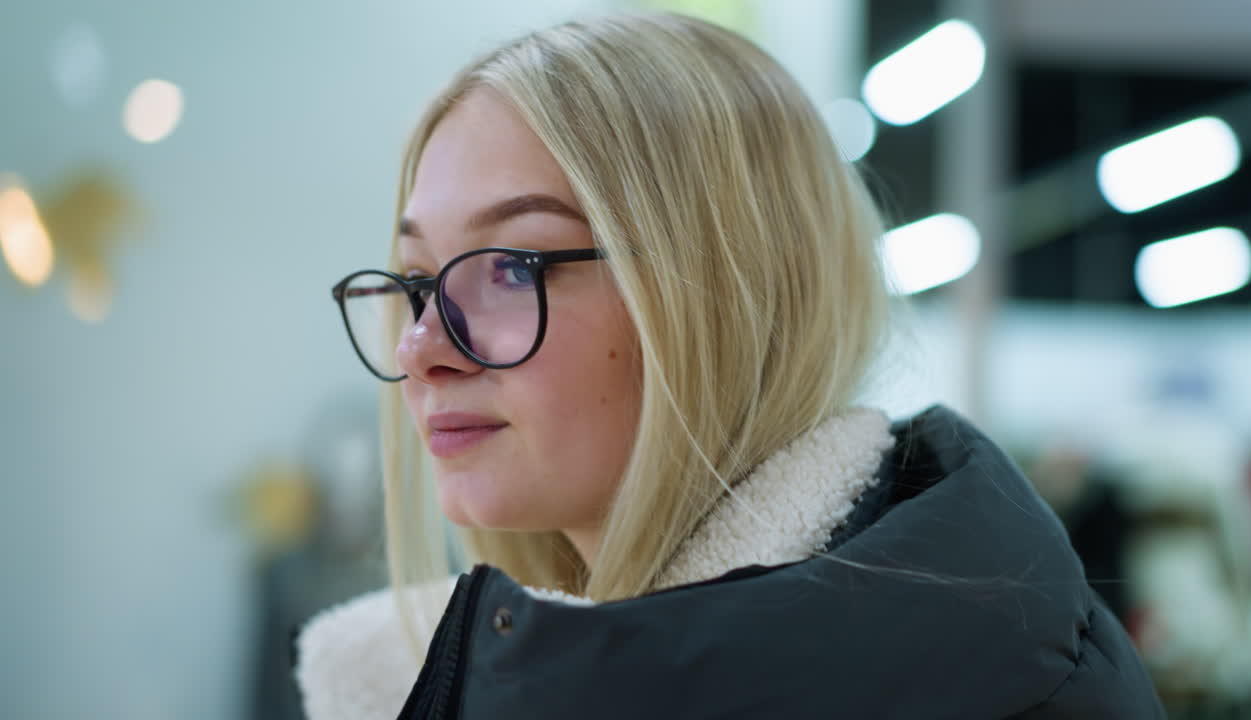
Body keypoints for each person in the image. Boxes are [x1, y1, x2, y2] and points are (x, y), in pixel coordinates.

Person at [296, 11, 1164, 719]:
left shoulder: (994, 684)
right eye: (417, 280)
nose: (420, 347)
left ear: (724, 295)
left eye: (513, 267)